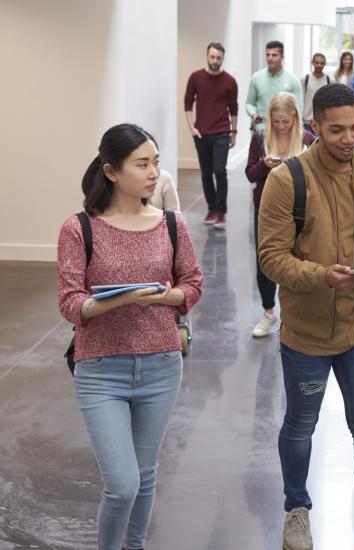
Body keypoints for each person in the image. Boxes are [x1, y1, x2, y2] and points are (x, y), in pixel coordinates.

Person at [257, 83, 354, 550]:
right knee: (301, 427)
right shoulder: (287, 180)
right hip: (307, 335)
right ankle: (296, 509)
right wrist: (322, 276)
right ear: (315, 126)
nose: (349, 138)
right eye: (337, 130)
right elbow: (271, 258)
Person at [57, 123, 203, 550]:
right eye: (142, 164)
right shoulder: (78, 228)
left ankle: (134, 546)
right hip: (101, 369)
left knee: (146, 473)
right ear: (111, 171)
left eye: (156, 162)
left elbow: (193, 284)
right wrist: (120, 300)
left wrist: (164, 297)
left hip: (162, 365)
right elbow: (70, 302)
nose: (154, 172)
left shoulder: (171, 224)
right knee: (122, 484)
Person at [246, 92, 316, 338]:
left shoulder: (308, 139)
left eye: (286, 121)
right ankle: (268, 311)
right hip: (266, 207)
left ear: (295, 118)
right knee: (265, 260)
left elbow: (319, 175)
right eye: (276, 121)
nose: (281, 126)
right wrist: (264, 165)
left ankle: (293, 314)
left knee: (298, 258)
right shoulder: (260, 137)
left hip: (300, 207)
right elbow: (250, 174)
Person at [184, 41, 238, 228]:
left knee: (220, 171)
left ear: (223, 58)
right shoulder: (196, 77)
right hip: (201, 133)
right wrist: (192, 128)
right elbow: (187, 103)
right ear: (207, 56)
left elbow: (234, 109)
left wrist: (233, 132)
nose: (215, 60)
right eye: (212, 57)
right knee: (206, 173)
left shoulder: (229, 81)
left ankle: (221, 211)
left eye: (218, 58)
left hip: (222, 131)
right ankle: (212, 209)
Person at [246, 40, 303, 132]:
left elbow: (299, 109)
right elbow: (249, 103)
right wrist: (253, 114)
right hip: (262, 129)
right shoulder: (256, 78)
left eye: (274, 55)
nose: (270, 58)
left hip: (284, 131)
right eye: (268, 55)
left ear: (282, 57)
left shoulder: (293, 80)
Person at [302, 52, 331, 132]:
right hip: (307, 122)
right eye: (317, 62)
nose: (319, 65)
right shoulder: (305, 79)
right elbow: (301, 100)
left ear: (325, 64)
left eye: (321, 63)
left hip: (323, 121)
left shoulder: (329, 80)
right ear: (312, 63)